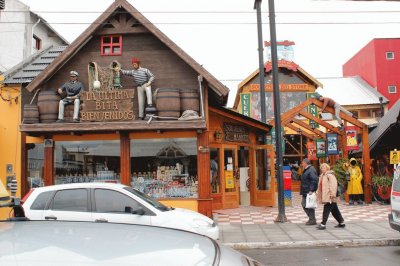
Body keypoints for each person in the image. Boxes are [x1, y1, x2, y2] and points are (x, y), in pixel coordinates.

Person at [316, 163, 346, 230]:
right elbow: (320, 186)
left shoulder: (330, 175)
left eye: (323, 167)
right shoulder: (322, 176)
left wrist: (332, 195)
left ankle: (323, 224)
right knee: (335, 210)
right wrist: (317, 193)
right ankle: (341, 222)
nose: (322, 169)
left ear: (327, 168)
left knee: (326, 210)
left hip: (330, 196)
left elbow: (333, 185)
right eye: (321, 168)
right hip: (326, 195)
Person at [300, 158, 319, 225]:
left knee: (308, 205)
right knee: (305, 204)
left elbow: (314, 180)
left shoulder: (311, 170)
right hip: (306, 190)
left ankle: (312, 220)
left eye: (302, 163)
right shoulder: (307, 170)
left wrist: (311, 190)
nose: (302, 164)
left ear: (306, 163)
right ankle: (312, 219)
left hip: (309, 191)